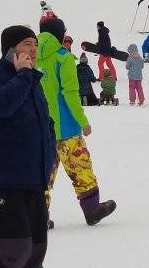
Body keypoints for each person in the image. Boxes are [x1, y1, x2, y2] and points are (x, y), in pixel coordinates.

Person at [0, 26, 55, 268]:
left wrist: (49, 153)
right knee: (15, 252)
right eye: (26, 44)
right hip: (4, 181)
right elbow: (3, 105)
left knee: (35, 253)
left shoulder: (33, 81)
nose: (33, 49)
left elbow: (45, 123)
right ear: (11, 50)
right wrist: (22, 75)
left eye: (35, 44)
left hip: (33, 179)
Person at [36, 17, 115, 226]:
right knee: (80, 166)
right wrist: (83, 121)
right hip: (66, 126)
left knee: (42, 173)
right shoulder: (63, 57)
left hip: (39, 127)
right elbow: (70, 93)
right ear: (59, 33)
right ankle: (92, 210)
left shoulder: (31, 56)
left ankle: (38, 217)